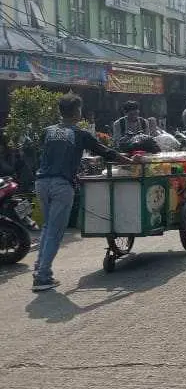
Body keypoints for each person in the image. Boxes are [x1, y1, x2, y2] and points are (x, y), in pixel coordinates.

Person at [33, 93, 136, 292]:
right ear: (77, 112)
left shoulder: (47, 131)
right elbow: (105, 152)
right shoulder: (80, 134)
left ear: (60, 112)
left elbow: (49, 154)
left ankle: (39, 268)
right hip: (62, 185)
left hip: (41, 183)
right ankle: (42, 277)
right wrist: (130, 161)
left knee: (47, 227)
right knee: (55, 231)